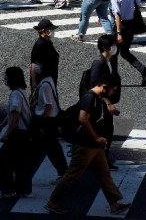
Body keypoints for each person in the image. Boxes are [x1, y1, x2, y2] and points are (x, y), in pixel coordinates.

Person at [45, 74, 130, 216]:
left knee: (104, 174)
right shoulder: (89, 98)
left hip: (94, 145)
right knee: (72, 175)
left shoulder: (98, 97)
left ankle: (114, 205)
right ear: (104, 87)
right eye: (112, 90)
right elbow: (83, 119)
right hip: (85, 144)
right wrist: (97, 137)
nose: (112, 92)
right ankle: (52, 203)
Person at [0, 66, 32, 199]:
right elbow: (12, 114)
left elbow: (14, 115)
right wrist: (1, 126)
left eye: (6, 77)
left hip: (17, 133)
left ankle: (4, 190)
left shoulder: (14, 94)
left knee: (2, 160)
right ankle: (24, 189)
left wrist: (6, 133)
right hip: (24, 132)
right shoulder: (22, 92)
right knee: (21, 162)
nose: (5, 80)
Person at [108, 0, 146, 85]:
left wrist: (118, 33)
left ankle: (115, 76)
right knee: (125, 52)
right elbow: (138, 5)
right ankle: (143, 70)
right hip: (131, 25)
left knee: (113, 52)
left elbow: (117, 15)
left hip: (121, 26)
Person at [30, 19, 60, 88]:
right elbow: (34, 64)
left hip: (50, 79)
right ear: (43, 31)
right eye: (50, 29)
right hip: (43, 80)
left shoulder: (47, 42)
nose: (52, 31)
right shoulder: (39, 45)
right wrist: (34, 81)